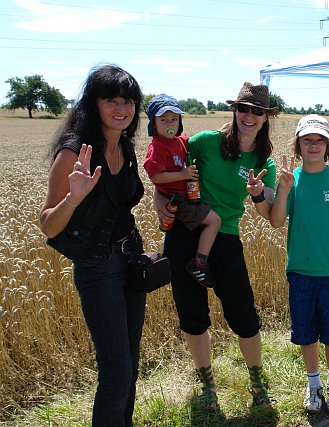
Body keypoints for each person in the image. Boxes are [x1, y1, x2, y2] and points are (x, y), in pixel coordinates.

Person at [154, 82, 277, 410]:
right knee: (192, 315)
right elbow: (166, 171)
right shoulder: (205, 141)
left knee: (244, 315)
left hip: (225, 238)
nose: (249, 116)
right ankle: (207, 385)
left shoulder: (264, 162)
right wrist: (158, 201)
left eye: (257, 111)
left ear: (266, 117)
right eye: (243, 108)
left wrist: (257, 194)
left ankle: (257, 384)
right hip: (183, 233)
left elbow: (268, 212)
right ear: (235, 111)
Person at [39, 64, 145, 427]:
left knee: (130, 362)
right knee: (116, 368)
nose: (122, 108)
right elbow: (48, 225)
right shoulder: (73, 152)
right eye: (111, 100)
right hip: (98, 267)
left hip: (131, 257)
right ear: (93, 103)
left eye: (128, 101)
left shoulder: (125, 146)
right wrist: (74, 198)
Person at [270, 114, 329, 414]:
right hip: (301, 274)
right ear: (297, 145)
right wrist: (284, 190)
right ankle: (313, 384)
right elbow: (276, 220)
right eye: (307, 140)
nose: (313, 145)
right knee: (306, 332)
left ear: (328, 145)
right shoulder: (291, 181)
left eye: (319, 140)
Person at [143, 94, 222, 288]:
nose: (170, 123)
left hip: (187, 196)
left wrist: (220, 133)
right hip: (179, 201)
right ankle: (199, 263)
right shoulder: (158, 146)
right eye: (163, 119)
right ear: (153, 123)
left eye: (174, 118)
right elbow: (155, 177)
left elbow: (198, 141)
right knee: (214, 221)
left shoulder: (179, 140)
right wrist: (183, 174)